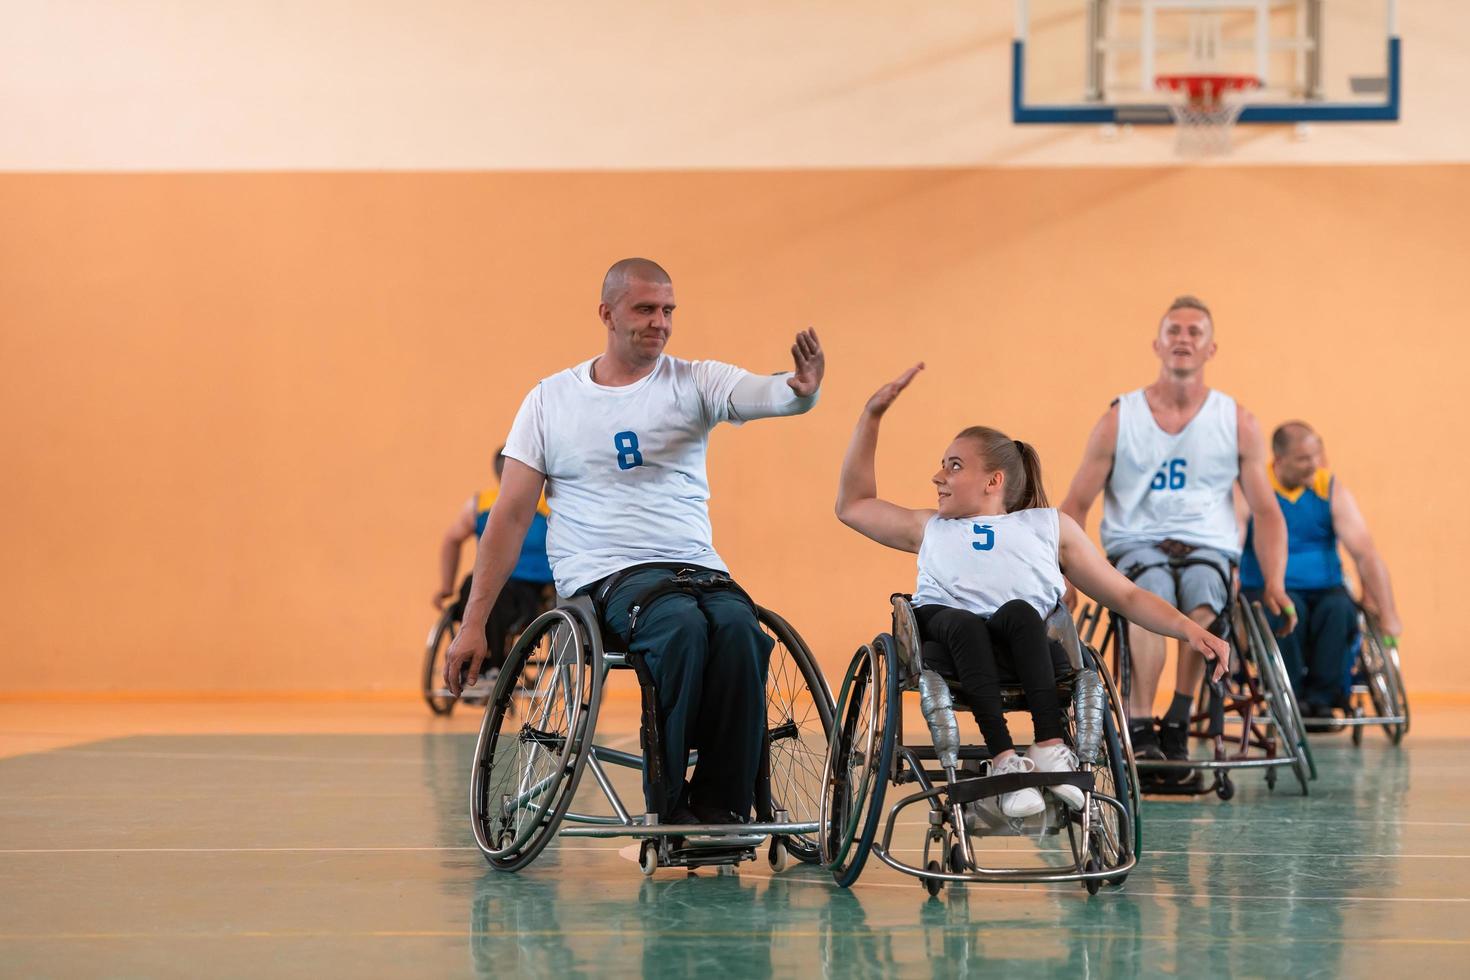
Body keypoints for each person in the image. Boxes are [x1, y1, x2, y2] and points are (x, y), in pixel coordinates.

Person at [444, 257, 824, 826]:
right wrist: (474, 621)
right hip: (603, 578)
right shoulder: (549, 401)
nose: (660, 322)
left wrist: (800, 391)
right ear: (607, 313)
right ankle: (670, 809)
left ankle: (721, 807)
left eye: (668, 310)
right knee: (681, 629)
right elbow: (510, 516)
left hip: (695, 567)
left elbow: (765, 393)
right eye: (646, 309)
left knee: (743, 631)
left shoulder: (694, 380)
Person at [836, 364, 1228, 818]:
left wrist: (1188, 630)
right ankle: (1003, 760)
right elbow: (854, 505)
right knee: (963, 623)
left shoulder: (1048, 526)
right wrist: (872, 416)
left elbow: (1125, 595)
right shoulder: (930, 527)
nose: (938, 476)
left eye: (954, 465)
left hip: (1019, 650)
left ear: (993, 480)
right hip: (946, 643)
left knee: (1023, 611)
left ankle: (1048, 744)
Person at [1058, 295, 1295, 771]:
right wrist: (1064, 575)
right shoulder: (1119, 419)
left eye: (1194, 332)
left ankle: (1181, 716)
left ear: (1210, 349)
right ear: (1158, 344)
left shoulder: (1237, 422)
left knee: (1205, 593)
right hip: (1137, 543)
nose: (1183, 339)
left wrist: (1274, 582)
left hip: (1209, 546)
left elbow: (1268, 513)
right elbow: (1074, 506)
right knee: (1152, 591)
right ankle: (1142, 719)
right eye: (1174, 331)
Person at [1239, 421, 1404, 718]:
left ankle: (1324, 700)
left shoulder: (1328, 488)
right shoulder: (1255, 487)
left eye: (1317, 455)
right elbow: (1232, 545)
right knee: (1285, 611)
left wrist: (1389, 614)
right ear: (1279, 461)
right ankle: (1290, 696)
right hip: (1269, 588)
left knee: (1341, 610)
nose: (1313, 465)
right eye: (1303, 459)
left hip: (1325, 587)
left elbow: (1366, 554)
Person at [431, 447, 554, 693]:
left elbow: (452, 539)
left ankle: (492, 666)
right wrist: (446, 586)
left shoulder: (546, 504)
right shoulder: (483, 504)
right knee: (473, 584)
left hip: (534, 591)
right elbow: (451, 539)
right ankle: (476, 666)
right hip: (496, 583)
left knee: (495, 593)